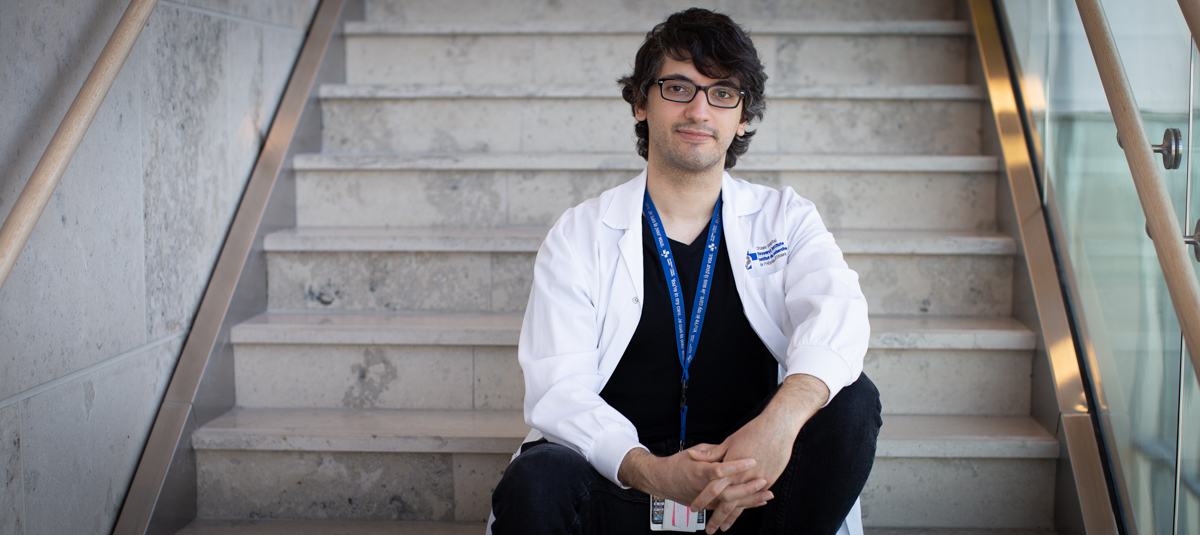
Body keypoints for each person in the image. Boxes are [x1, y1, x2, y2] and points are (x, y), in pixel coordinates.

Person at [489, 8, 880, 535]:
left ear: (742, 117)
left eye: (722, 93)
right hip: (624, 491)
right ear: (640, 102)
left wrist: (780, 423)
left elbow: (841, 318)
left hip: (749, 497)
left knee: (851, 400)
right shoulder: (580, 233)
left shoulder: (785, 218)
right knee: (538, 477)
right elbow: (556, 388)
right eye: (678, 87)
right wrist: (651, 471)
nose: (699, 108)